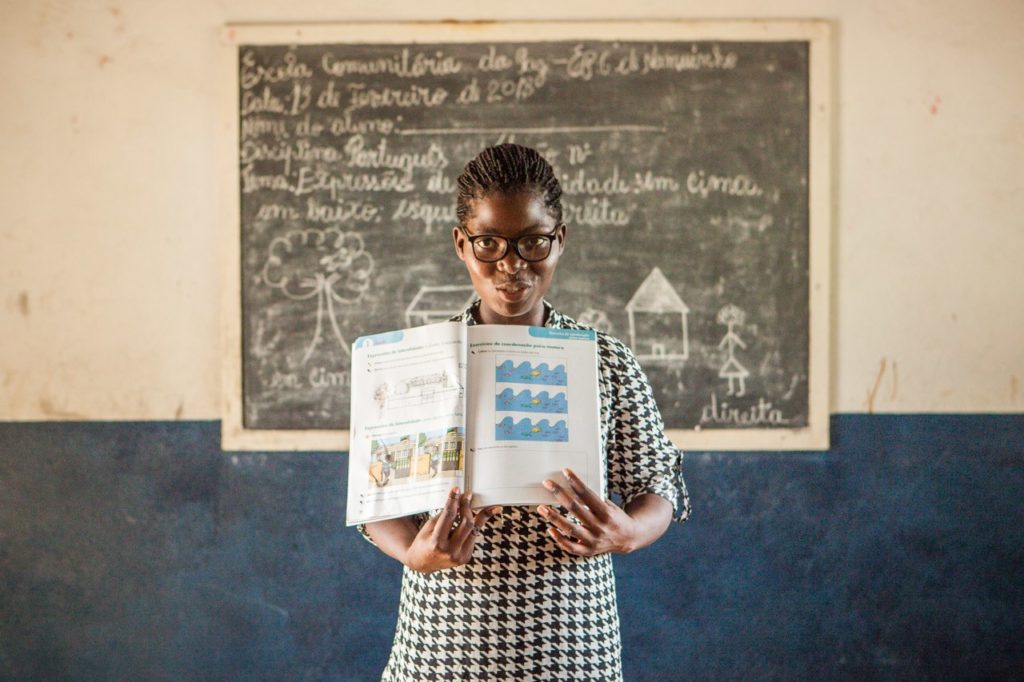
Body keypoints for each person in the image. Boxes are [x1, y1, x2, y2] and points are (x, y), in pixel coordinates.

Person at [362, 143, 690, 681]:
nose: (511, 265)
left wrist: (629, 531)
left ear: (559, 240)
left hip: (572, 646)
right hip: (443, 646)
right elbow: (377, 495)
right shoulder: (418, 362)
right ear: (462, 246)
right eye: (488, 243)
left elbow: (658, 482)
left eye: (533, 241)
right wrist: (414, 554)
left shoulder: (605, 359)